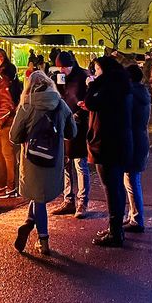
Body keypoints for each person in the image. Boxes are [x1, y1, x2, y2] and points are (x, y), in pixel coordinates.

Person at [10, 71, 76, 256]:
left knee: (37, 197)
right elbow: (73, 132)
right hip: (54, 158)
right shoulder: (61, 105)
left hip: (32, 159)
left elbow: (14, 136)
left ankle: (43, 240)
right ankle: (29, 222)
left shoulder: (27, 105)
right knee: (40, 196)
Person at [82, 56, 133, 247]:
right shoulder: (121, 85)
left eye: (96, 68)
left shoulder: (108, 86)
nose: (94, 72)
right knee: (116, 188)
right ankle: (116, 227)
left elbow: (92, 102)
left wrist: (92, 86)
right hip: (119, 143)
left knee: (111, 188)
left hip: (107, 143)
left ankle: (115, 232)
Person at [50, 51, 91, 219]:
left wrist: (78, 115)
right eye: (59, 67)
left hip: (79, 126)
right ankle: (68, 200)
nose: (61, 70)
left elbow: (87, 99)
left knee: (80, 163)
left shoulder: (83, 77)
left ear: (70, 65)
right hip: (64, 123)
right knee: (66, 163)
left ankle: (82, 201)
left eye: (63, 67)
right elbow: (60, 95)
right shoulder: (60, 77)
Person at [0, 48, 21, 197]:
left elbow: (7, 103)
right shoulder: (0, 77)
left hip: (7, 123)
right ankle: (1, 185)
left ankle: (11, 186)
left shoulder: (4, 79)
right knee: (0, 154)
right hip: (2, 123)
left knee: (7, 155)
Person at [124, 64, 151, 233]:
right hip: (141, 139)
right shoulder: (143, 93)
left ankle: (136, 218)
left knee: (131, 181)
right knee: (133, 180)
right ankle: (134, 215)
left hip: (134, 140)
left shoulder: (131, 95)